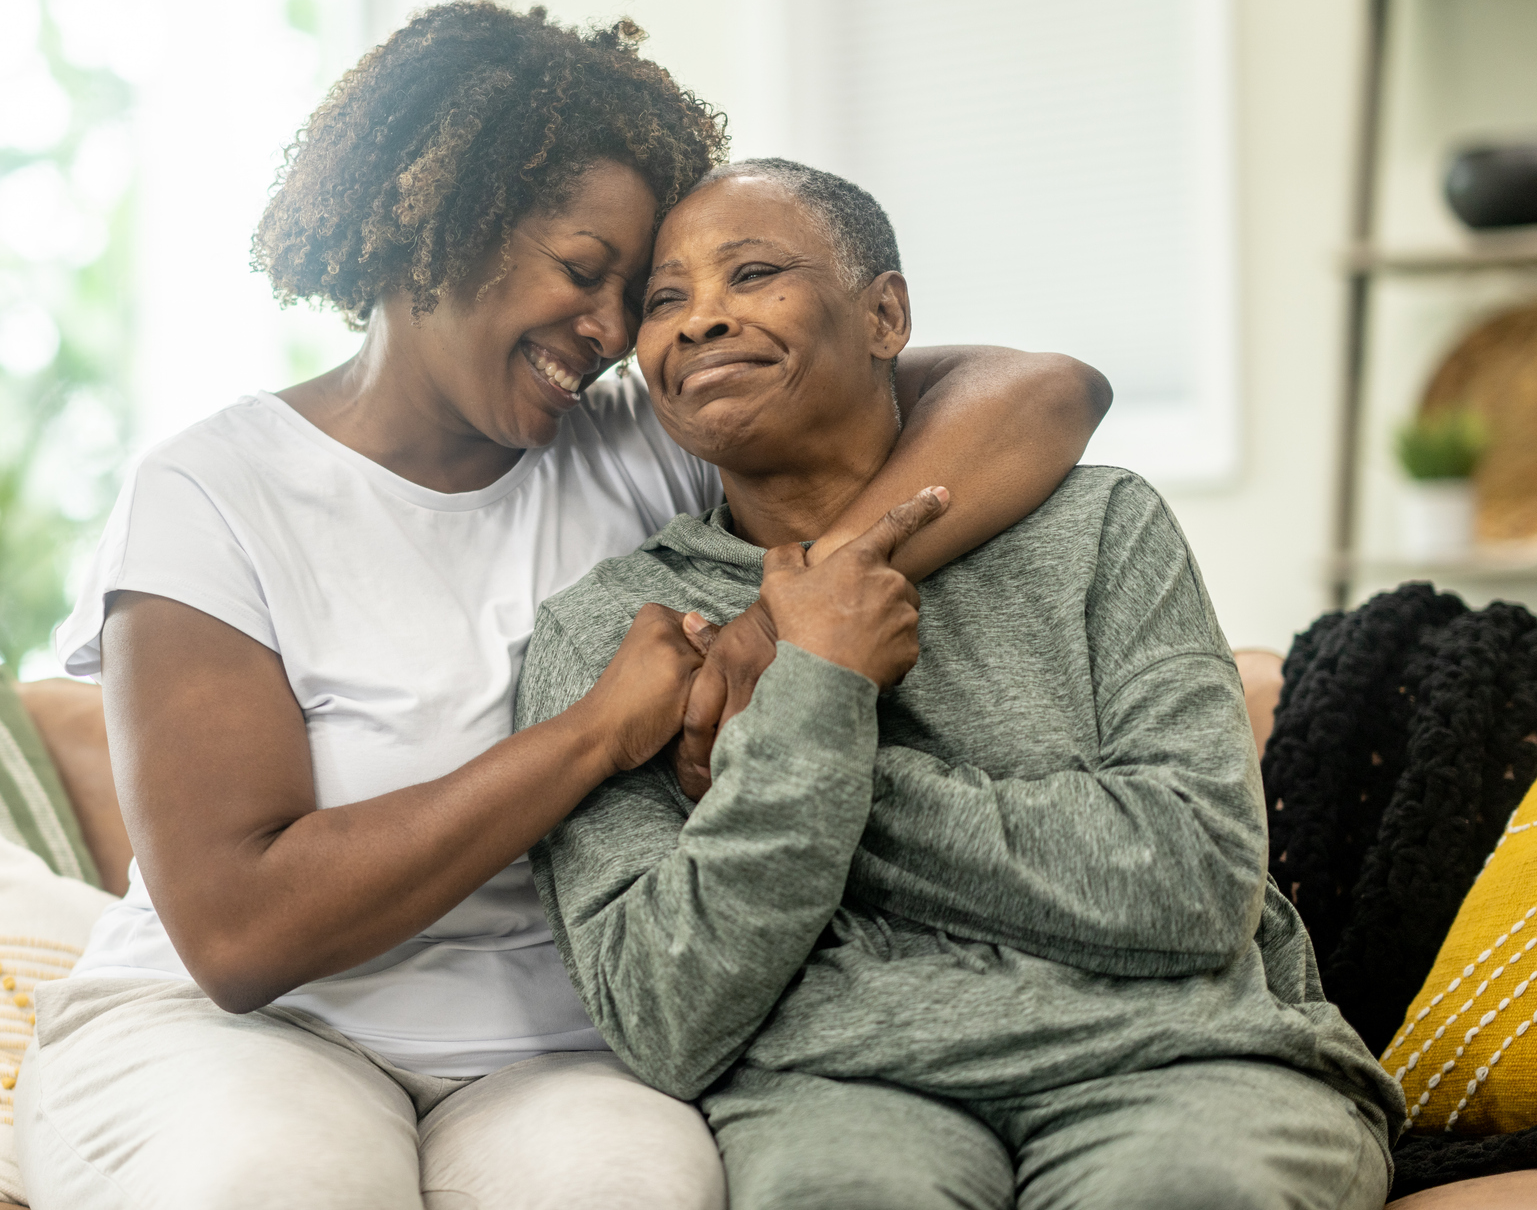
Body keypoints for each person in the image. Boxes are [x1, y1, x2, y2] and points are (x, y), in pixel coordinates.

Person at [15, 4, 1113, 1209]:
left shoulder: (643, 445)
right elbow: (241, 931)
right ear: (436, 225)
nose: (608, 335)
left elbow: (1041, 390)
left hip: (556, 1047)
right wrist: (590, 734)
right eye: (585, 273)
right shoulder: (213, 491)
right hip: (248, 1033)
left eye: (628, 295)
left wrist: (794, 611)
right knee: (282, 1187)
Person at [519, 158, 1403, 1210]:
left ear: (885, 313)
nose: (702, 318)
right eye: (667, 300)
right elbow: (666, 1011)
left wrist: (800, 726)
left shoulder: (1102, 527)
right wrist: (825, 686)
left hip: (1185, 1063)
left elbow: (1195, 879)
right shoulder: (618, 637)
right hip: (841, 1089)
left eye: (752, 273)